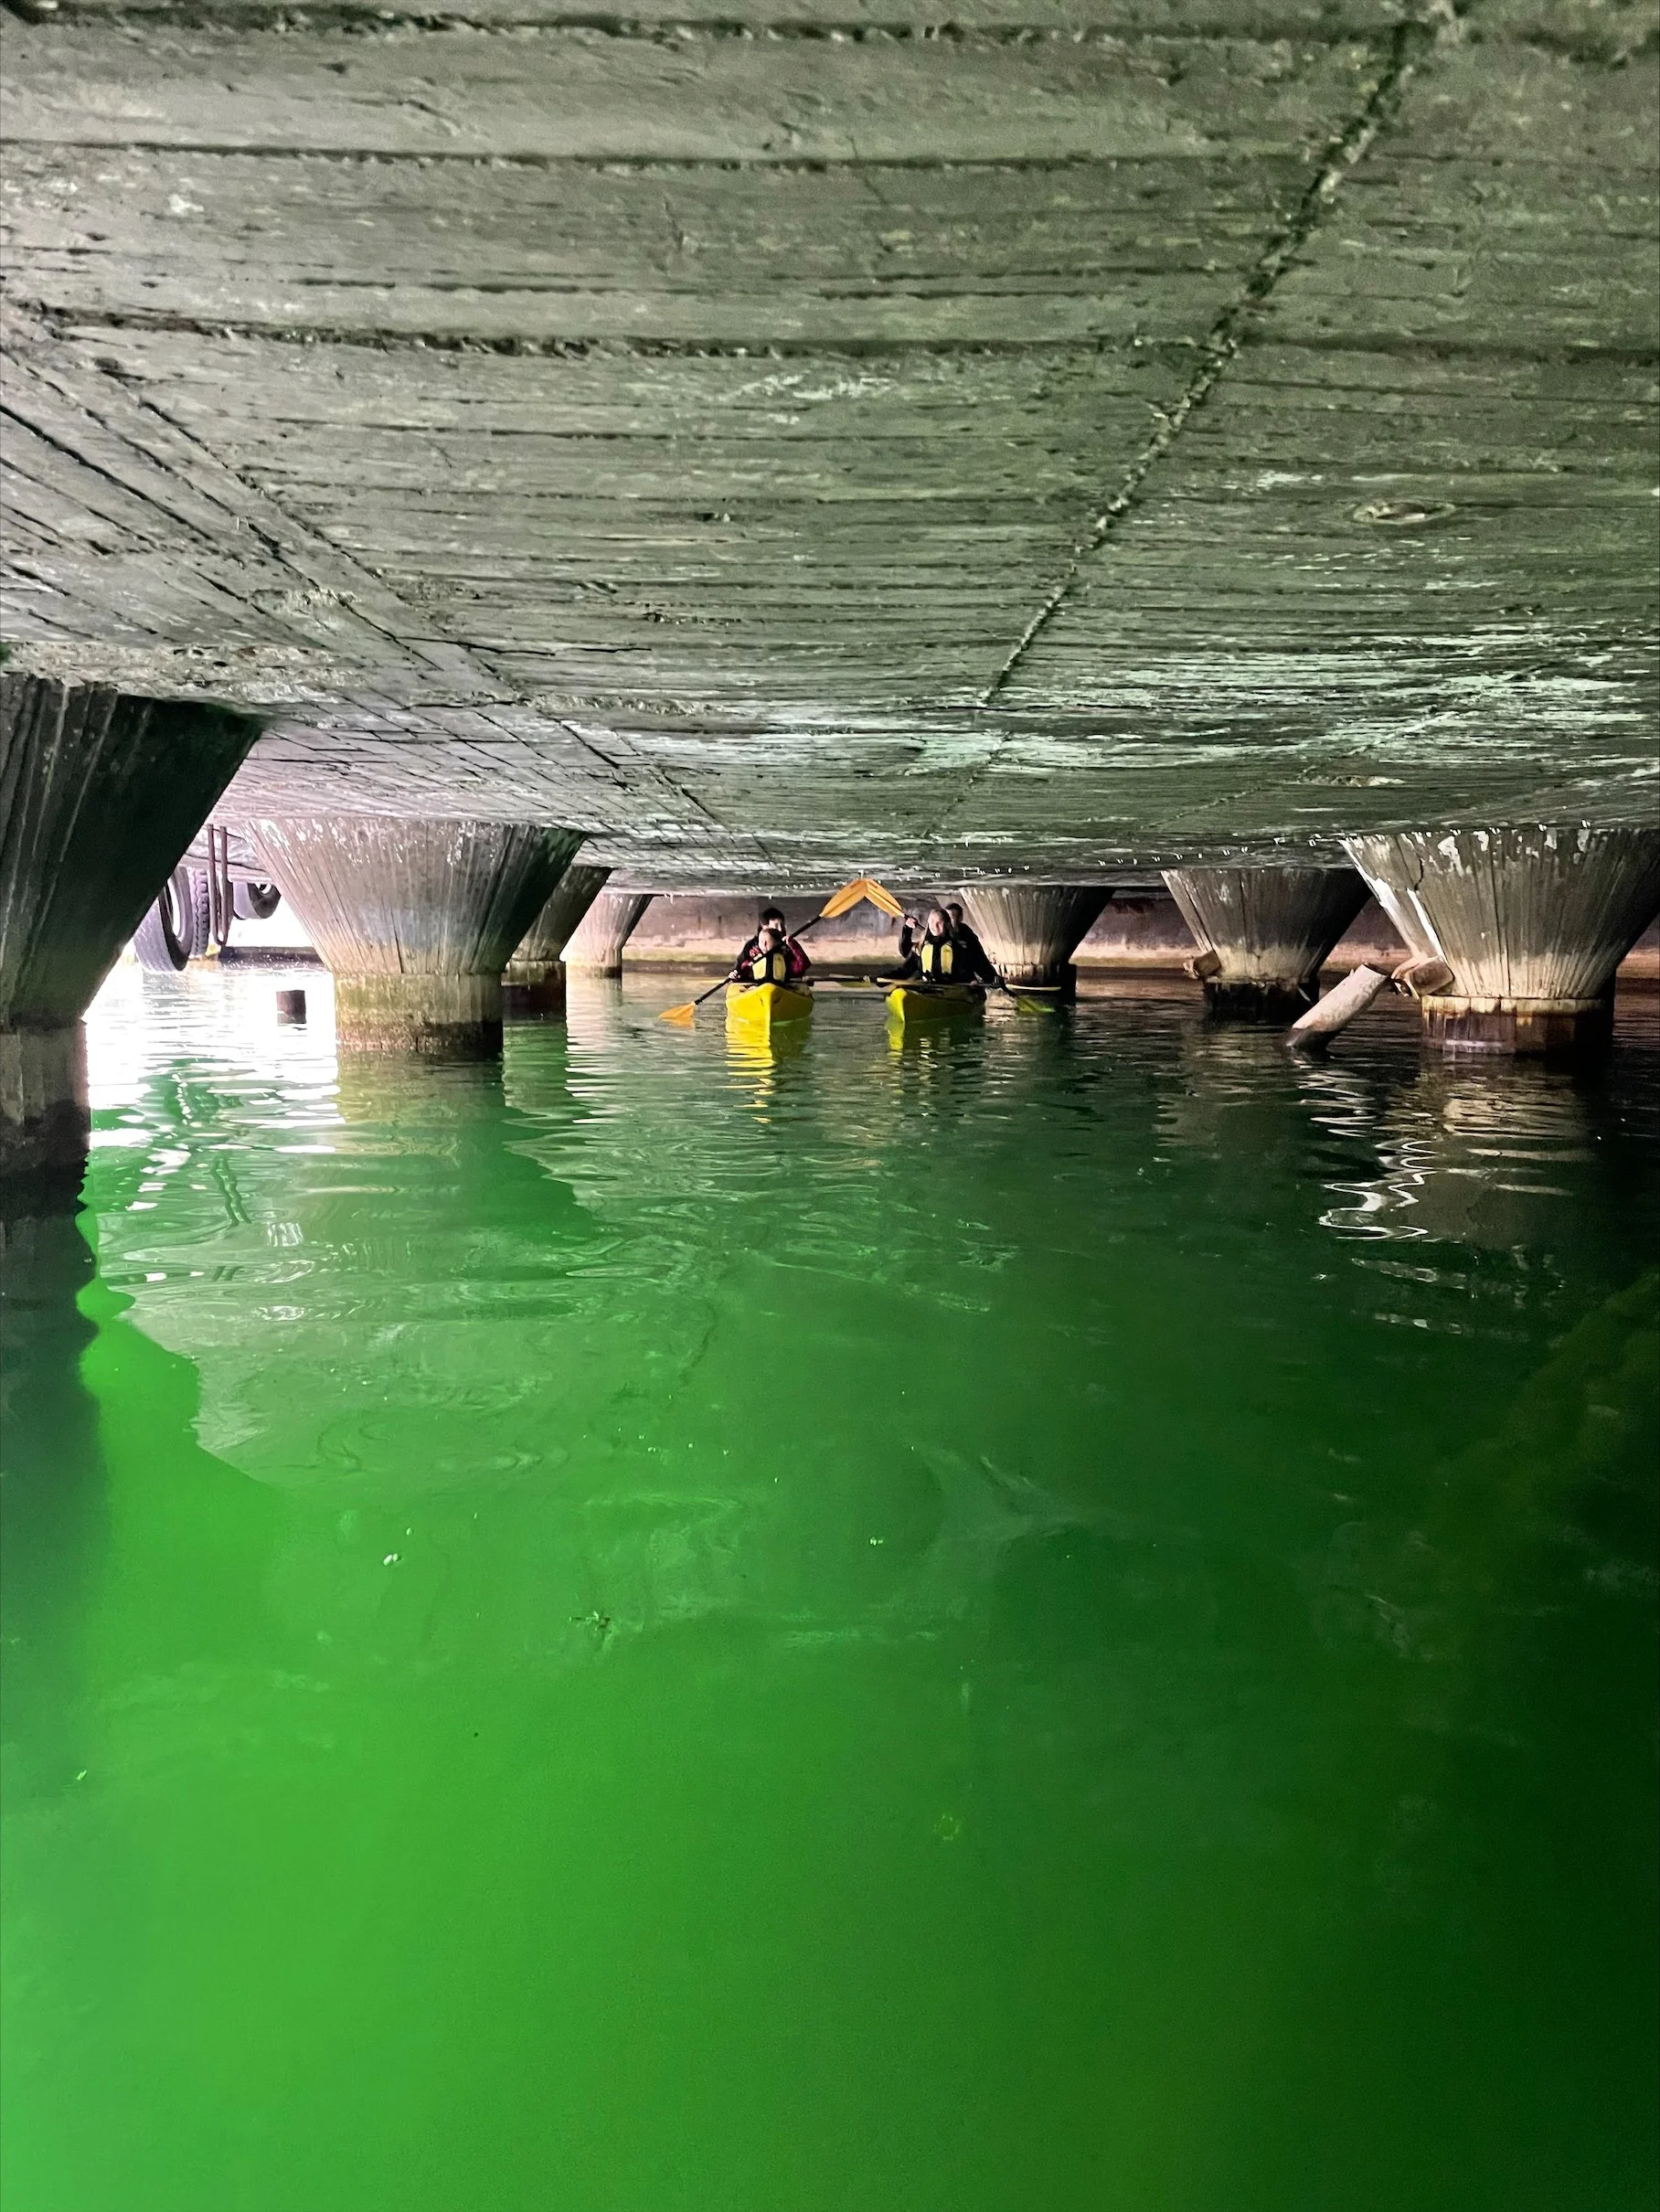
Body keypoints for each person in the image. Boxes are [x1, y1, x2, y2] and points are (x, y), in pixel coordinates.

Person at [891, 906, 977, 987]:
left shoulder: (956, 947)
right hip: (928, 987)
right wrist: (887, 977)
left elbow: (966, 971)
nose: (934, 926)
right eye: (931, 922)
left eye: (938, 923)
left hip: (951, 988)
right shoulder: (921, 947)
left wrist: (972, 982)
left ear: (947, 924)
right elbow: (905, 970)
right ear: (928, 924)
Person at [735, 905, 811, 981]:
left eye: (782, 925)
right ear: (765, 927)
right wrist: (735, 974)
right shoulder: (751, 945)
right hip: (756, 985)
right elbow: (739, 968)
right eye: (776, 925)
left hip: (782, 984)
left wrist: (793, 945)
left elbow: (801, 966)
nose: (780, 929)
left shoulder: (788, 945)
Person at [943, 902, 999, 987]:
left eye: (951, 918)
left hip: (964, 980)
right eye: (945, 918)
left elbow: (980, 957)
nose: (947, 922)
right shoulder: (941, 935)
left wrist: (993, 977)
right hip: (944, 978)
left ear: (960, 918)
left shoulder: (967, 935)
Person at [735, 923, 799, 988]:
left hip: (780, 988)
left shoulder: (785, 957)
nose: (764, 944)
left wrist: (793, 945)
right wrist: (735, 975)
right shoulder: (752, 958)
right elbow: (741, 972)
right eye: (761, 941)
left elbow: (802, 965)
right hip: (757, 988)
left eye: (767, 941)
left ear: (777, 942)